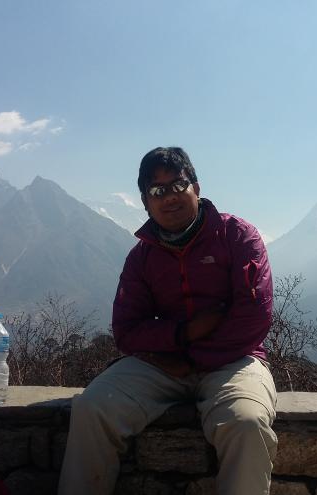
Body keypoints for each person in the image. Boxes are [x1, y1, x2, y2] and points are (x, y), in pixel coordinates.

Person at [58, 147, 277, 495]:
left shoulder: (236, 236)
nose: (170, 197)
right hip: (164, 364)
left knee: (247, 423)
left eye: (178, 185)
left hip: (235, 360)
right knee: (92, 408)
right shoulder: (142, 256)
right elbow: (127, 330)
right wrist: (182, 333)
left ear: (196, 188)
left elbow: (254, 317)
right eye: (157, 190)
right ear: (146, 202)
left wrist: (192, 359)